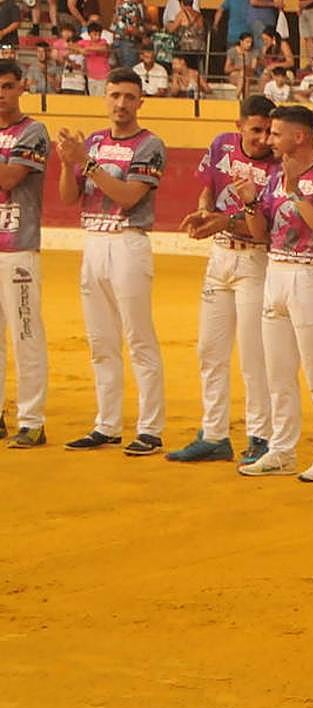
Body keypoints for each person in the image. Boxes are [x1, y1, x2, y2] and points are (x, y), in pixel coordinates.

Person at [234, 105, 313, 482]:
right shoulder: (275, 175)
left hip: (310, 275)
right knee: (278, 374)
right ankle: (282, 450)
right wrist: (251, 202)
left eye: (276, 133)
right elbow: (261, 234)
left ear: (299, 136)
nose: (269, 139)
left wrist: (296, 193)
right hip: (276, 272)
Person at [56, 67, 168, 455]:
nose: (121, 103)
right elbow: (69, 198)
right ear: (105, 97)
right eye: (115, 95)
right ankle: (107, 424)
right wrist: (66, 162)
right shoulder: (94, 141)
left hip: (127, 241)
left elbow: (128, 196)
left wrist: (86, 162)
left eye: (129, 97)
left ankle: (150, 429)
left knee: (139, 338)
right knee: (100, 340)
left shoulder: (150, 144)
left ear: (140, 102)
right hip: (94, 240)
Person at [170, 95, 278, 465]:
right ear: (239, 126)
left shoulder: (280, 166)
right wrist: (204, 211)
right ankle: (214, 433)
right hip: (220, 257)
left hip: (256, 261)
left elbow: (265, 228)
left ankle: (262, 436)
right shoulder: (221, 145)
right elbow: (209, 189)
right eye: (256, 130)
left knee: (253, 355)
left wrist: (222, 221)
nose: (264, 139)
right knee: (210, 351)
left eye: (269, 131)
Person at [0, 60, 51, 449]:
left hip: (18, 246)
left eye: (7, 86)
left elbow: (9, 178)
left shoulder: (33, 131)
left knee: (26, 335)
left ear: (22, 87)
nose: (1, 94)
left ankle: (32, 421)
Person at [109, 0, 146, 68]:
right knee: (122, 70)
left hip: (130, 44)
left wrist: (136, 31)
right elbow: (113, 28)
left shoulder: (138, 7)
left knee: (128, 70)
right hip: (120, 43)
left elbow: (140, 29)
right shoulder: (123, 7)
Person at [225, 31, 260, 98]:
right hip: (235, 75)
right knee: (243, 77)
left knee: (245, 78)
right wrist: (238, 67)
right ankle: (245, 100)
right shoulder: (232, 51)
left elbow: (253, 68)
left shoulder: (254, 52)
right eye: (247, 42)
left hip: (249, 75)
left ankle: (237, 97)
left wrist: (244, 69)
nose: (249, 44)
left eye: (251, 42)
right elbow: (226, 69)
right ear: (241, 42)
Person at [81, 22, 111, 96]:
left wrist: (87, 48)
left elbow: (104, 48)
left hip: (103, 76)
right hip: (91, 76)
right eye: (95, 34)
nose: (97, 37)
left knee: (101, 97)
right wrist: (80, 50)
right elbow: (72, 45)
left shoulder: (103, 41)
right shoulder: (85, 42)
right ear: (89, 34)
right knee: (93, 97)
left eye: (99, 35)